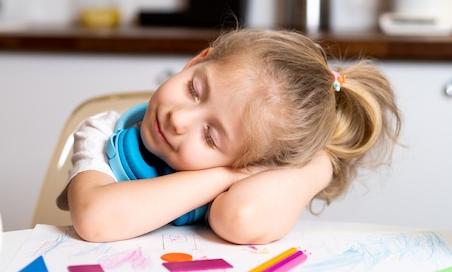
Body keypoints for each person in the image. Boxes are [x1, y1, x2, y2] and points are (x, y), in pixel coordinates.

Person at [56, 28, 401, 245]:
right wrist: (227, 173)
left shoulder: (243, 192)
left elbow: (242, 217)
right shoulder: (101, 131)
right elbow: (95, 219)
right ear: (196, 61)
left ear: (252, 162)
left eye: (210, 136)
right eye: (194, 89)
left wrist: (323, 164)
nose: (178, 118)